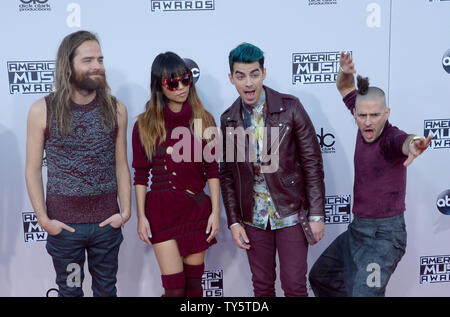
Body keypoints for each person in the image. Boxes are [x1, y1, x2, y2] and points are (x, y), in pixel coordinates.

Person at [308, 52, 432, 297]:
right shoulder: (362, 116)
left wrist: (416, 143)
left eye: (375, 115)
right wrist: (345, 72)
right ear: (355, 113)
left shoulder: (390, 138)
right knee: (321, 277)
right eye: (362, 115)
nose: (368, 122)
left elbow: (406, 141)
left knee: (365, 294)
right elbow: (345, 86)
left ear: (386, 113)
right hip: (357, 231)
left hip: (383, 239)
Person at [25, 30, 131, 297]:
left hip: (106, 225)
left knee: (106, 291)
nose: (98, 66)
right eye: (88, 60)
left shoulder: (116, 108)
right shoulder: (42, 110)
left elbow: (121, 164)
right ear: (68, 65)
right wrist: (43, 219)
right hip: (65, 228)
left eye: (100, 59)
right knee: (70, 293)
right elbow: (33, 169)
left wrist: (126, 212)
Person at [220, 42, 325, 297]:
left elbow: (312, 162)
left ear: (263, 73)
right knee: (263, 288)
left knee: (294, 287)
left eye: (254, 74)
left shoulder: (290, 107)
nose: (248, 83)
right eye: (241, 75)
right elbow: (228, 176)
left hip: (289, 212)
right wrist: (234, 221)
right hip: (253, 219)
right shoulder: (229, 118)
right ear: (231, 78)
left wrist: (317, 215)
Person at [132, 52, 220, 297]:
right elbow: (140, 174)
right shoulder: (144, 124)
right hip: (161, 212)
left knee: (194, 287)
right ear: (159, 86)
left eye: (185, 80)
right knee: (174, 289)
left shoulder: (203, 119)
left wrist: (215, 212)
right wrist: (141, 216)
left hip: (195, 209)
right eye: (172, 83)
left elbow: (213, 169)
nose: (181, 87)